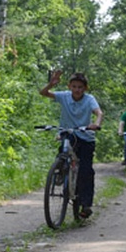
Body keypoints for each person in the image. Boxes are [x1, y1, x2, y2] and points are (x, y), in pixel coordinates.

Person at [39, 70, 104, 218]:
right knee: (63, 151)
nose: (77, 90)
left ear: (85, 88)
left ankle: (85, 204)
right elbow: (43, 93)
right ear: (69, 86)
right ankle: (60, 170)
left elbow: (99, 113)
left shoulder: (89, 99)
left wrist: (96, 124)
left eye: (80, 87)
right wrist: (51, 84)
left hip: (85, 135)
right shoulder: (64, 96)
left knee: (85, 171)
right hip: (68, 132)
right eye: (74, 86)